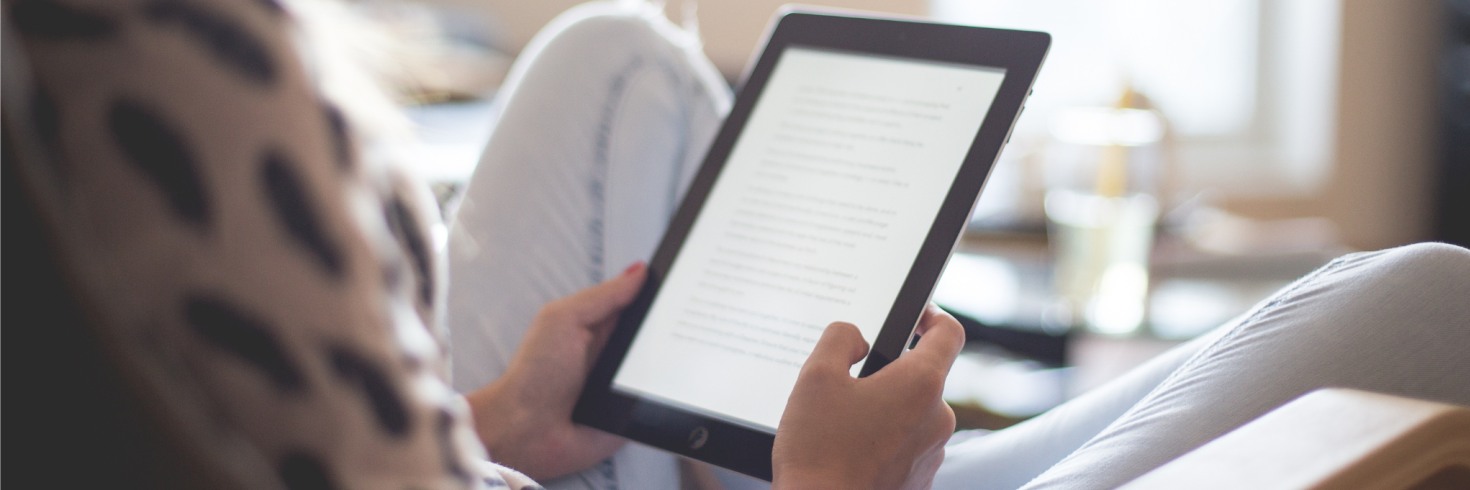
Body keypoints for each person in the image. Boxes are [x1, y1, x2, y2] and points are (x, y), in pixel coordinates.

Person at [4, 1, 1467, 490]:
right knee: (1426, 304)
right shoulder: (147, 85)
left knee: (616, 56)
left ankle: (724, 434)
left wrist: (502, 420)